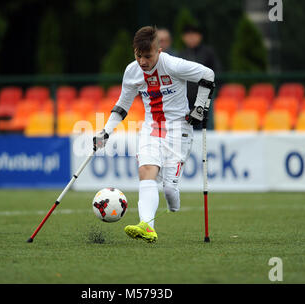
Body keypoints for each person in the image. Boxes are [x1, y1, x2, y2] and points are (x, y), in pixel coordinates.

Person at [93, 26, 215, 243]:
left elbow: (208, 75)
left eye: (147, 56)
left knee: (169, 189)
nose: (142, 62)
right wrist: (106, 132)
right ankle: (147, 226)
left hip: (179, 129)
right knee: (146, 170)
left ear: (159, 50)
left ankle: (172, 204)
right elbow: (122, 105)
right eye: (138, 56)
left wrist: (199, 107)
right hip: (151, 128)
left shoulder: (173, 64)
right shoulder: (132, 71)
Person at [179, 24, 221, 130]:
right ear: (183, 38)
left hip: (204, 100)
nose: (191, 38)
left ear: (200, 36)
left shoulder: (208, 53)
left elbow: (217, 72)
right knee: (187, 130)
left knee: (205, 129)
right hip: (187, 100)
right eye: (188, 35)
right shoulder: (181, 55)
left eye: (194, 35)